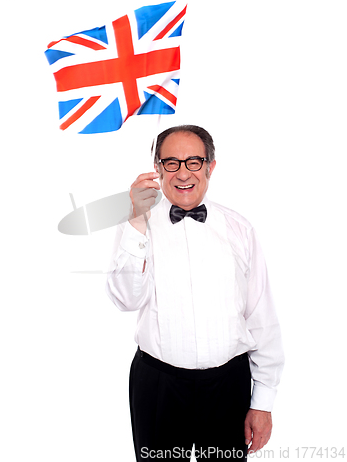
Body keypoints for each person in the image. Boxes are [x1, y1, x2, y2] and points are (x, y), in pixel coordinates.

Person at [106, 125, 284, 461]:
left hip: (228, 385)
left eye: (194, 161)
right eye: (171, 163)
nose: (183, 173)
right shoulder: (135, 224)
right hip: (158, 383)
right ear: (157, 168)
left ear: (210, 166)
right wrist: (136, 223)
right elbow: (124, 299)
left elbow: (262, 317)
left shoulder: (239, 228)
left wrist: (263, 402)